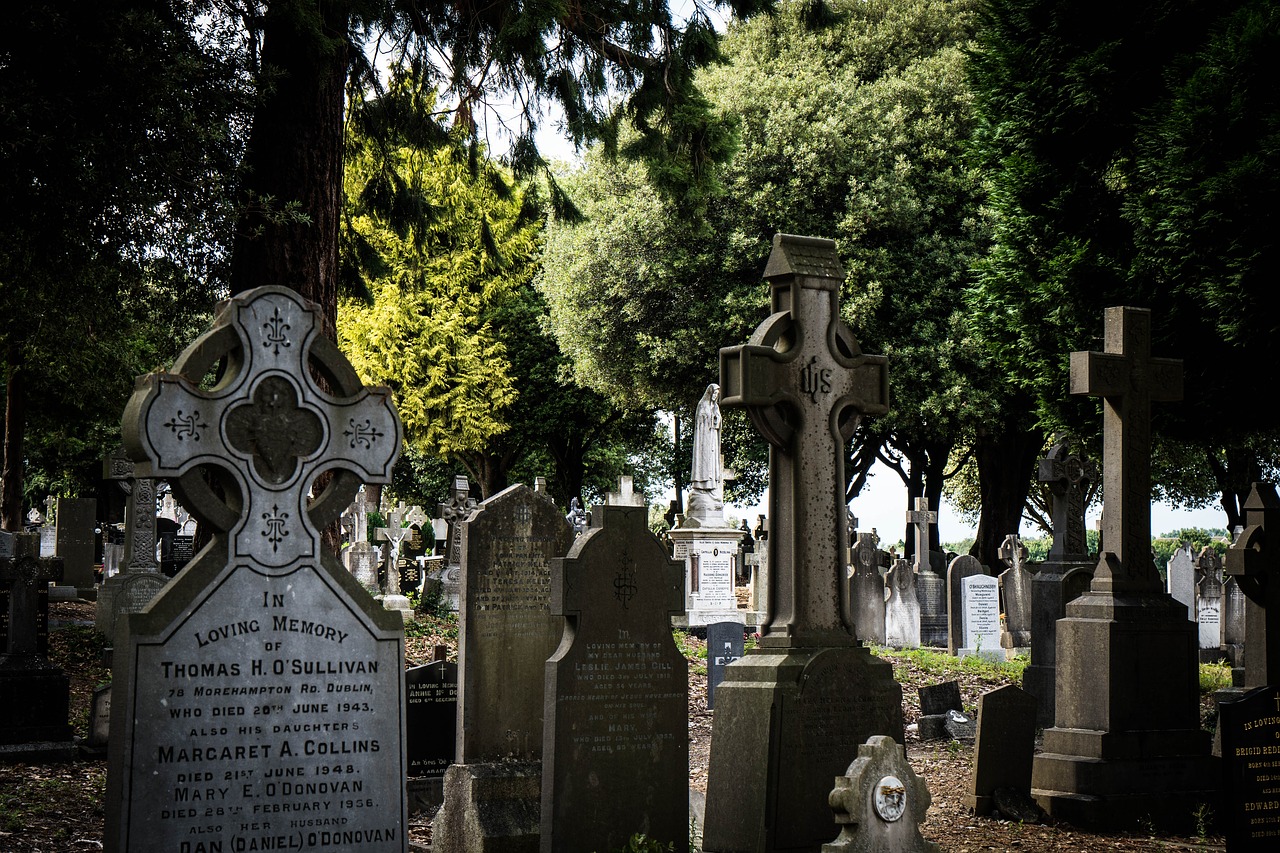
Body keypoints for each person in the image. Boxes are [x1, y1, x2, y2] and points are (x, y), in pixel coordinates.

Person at [690, 383, 722, 493]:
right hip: (704, 438)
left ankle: (711, 484)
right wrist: (709, 419)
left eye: (717, 394)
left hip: (713, 436)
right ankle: (701, 484)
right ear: (710, 393)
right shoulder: (702, 405)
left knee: (712, 460)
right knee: (704, 460)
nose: (715, 396)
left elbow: (718, 421)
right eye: (714, 393)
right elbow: (700, 421)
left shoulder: (716, 407)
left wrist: (717, 419)